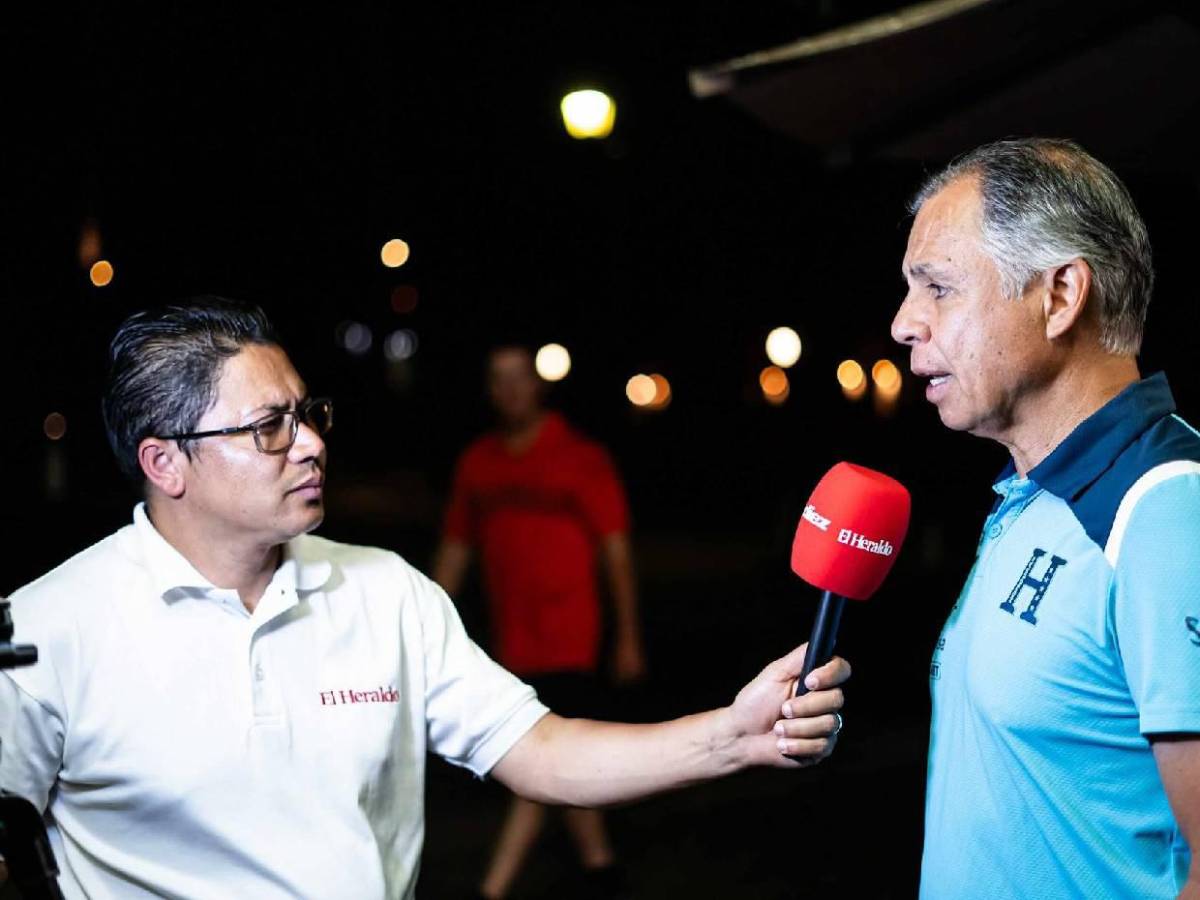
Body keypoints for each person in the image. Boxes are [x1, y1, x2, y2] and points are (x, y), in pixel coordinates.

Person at [0, 297, 848, 899]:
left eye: (308, 414)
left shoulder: (388, 593)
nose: (311, 444)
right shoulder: (45, 631)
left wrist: (733, 736)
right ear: (165, 463)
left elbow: (541, 752)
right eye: (269, 428)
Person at [892, 138, 1199, 898]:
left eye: (938, 288)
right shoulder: (1029, 494)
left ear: (1060, 295)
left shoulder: (1166, 511)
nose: (904, 323)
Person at [432, 345, 645, 899]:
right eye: (496, 379)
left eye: (518, 377)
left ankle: (493, 889)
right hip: (512, 641)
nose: (508, 389)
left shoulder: (580, 456)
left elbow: (615, 550)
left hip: (571, 638)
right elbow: (455, 550)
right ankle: (602, 872)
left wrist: (627, 636)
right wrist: (425, 626)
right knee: (555, 762)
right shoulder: (478, 462)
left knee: (537, 758)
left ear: (538, 384)